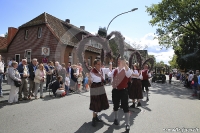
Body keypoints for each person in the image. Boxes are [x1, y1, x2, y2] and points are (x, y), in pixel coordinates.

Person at [108, 58, 132, 131]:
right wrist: (110, 64)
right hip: (115, 90)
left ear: (123, 62)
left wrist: (125, 64)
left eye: (120, 61)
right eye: (118, 61)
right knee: (115, 105)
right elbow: (109, 74)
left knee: (125, 107)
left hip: (123, 91)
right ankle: (116, 118)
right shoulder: (115, 70)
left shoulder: (126, 70)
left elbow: (129, 74)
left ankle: (127, 124)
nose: (118, 62)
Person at [89, 59, 112, 127]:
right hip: (95, 86)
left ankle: (96, 117)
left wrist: (110, 62)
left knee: (100, 102)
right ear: (95, 65)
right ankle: (93, 118)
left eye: (100, 64)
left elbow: (110, 69)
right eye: (98, 64)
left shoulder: (102, 70)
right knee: (95, 102)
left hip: (101, 86)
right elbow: (90, 82)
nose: (100, 65)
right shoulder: (92, 71)